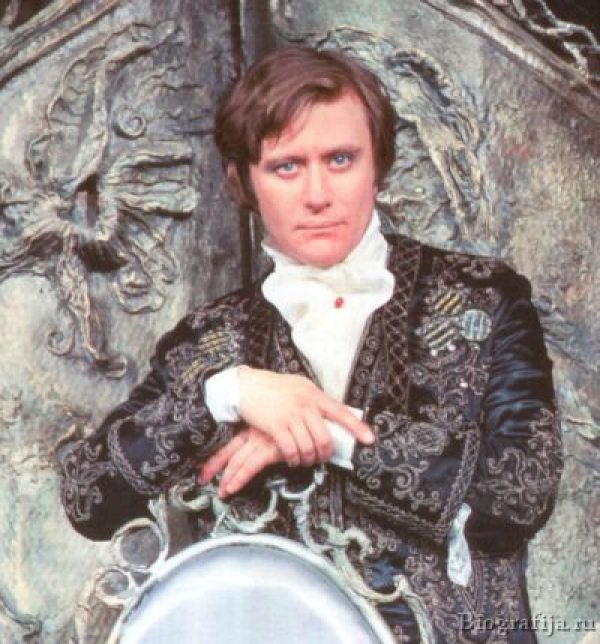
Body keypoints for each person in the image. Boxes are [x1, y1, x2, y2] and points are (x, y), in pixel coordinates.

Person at [59, 46, 562, 642]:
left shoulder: (485, 300)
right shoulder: (208, 342)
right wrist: (226, 394)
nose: (318, 193)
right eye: (287, 167)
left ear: (378, 165)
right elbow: (88, 498)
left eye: (341, 159)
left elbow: (519, 495)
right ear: (244, 180)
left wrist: (329, 433)